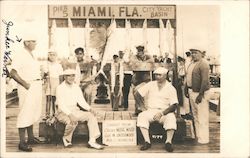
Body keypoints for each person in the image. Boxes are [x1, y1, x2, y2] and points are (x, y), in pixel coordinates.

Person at [9, 33, 44, 152]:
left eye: (35, 41)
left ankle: (31, 138)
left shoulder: (31, 55)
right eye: (33, 41)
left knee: (32, 111)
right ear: (26, 42)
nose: (35, 43)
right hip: (27, 87)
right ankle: (22, 143)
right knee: (25, 112)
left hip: (35, 85)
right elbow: (13, 73)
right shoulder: (20, 55)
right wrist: (25, 84)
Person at [55, 69, 104, 149]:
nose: (71, 78)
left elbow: (81, 101)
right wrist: (70, 115)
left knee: (91, 116)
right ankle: (66, 139)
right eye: (68, 76)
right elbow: (61, 105)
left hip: (75, 110)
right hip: (62, 112)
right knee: (72, 121)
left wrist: (90, 109)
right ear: (64, 77)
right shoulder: (60, 88)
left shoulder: (76, 87)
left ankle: (92, 141)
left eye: (73, 76)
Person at [136, 67, 178, 152]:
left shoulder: (170, 88)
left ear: (165, 76)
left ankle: (168, 142)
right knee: (141, 116)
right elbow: (137, 93)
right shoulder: (151, 84)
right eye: (156, 75)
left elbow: (174, 105)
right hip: (151, 110)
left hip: (164, 112)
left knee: (171, 118)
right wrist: (142, 107)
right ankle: (147, 141)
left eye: (160, 75)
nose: (157, 77)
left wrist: (162, 113)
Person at [184, 48, 210, 144]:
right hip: (191, 91)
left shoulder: (203, 64)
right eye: (192, 53)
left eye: (195, 53)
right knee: (195, 115)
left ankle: (204, 138)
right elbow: (188, 77)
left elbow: (205, 80)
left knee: (202, 115)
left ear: (201, 53)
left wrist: (201, 94)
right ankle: (198, 135)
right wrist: (186, 88)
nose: (193, 55)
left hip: (200, 93)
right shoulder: (191, 63)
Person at [131, 45, 154, 116]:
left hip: (145, 79)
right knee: (135, 94)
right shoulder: (135, 56)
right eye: (138, 51)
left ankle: (143, 109)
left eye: (141, 52)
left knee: (140, 93)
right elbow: (134, 61)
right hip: (136, 79)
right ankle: (137, 110)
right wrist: (141, 62)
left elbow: (152, 60)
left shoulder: (148, 56)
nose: (139, 53)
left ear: (143, 52)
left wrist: (144, 61)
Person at [44, 49, 63, 118]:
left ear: (56, 56)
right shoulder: (46, 64)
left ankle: (55, 113)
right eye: (50, 55)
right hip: (48, 81)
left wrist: (60, 86)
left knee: (54, 98)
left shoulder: (58, 65)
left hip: (56, 81)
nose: (52, 57)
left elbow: (61, 76)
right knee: (48, 98)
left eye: (53, 55)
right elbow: (44, 74)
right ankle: (47, 114)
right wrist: (45, 75)